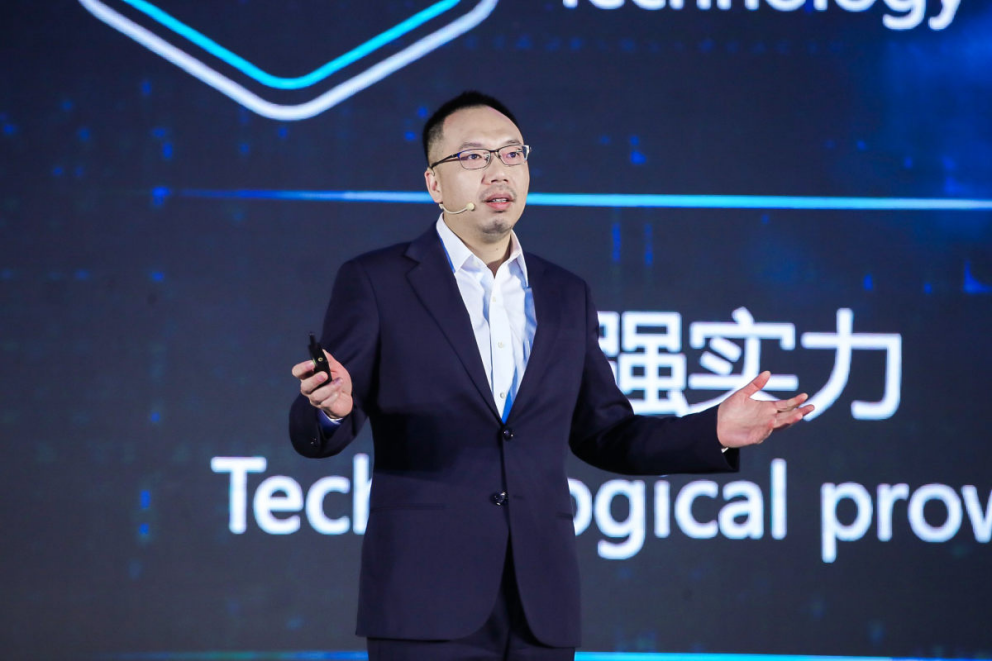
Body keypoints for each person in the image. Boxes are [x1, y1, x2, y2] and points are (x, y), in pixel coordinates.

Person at [289, 91, 813, 661]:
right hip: (424, 598)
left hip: (541, 605)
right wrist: (330, 409)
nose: (498, 171)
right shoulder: (378, 281)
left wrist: (711, 430)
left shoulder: (565, 294)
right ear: (434, 184)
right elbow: (323, 421)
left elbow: (606, 433)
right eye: (474, 156)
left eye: (513, 154)